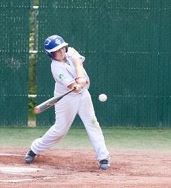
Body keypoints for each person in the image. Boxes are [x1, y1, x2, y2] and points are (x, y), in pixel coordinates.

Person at [24, 35, 110, 170]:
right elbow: (72, 88)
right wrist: (76, 86)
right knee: (60, 130)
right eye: (56, 51)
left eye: (62, 49)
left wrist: (80, 78)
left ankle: (103, 158)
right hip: (66, 99)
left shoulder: (70, 51)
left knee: (93, 123)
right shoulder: (56, 68)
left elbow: (78, 63)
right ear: (51, 54)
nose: (61, 52)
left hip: (83, 95)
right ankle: (34, 149)